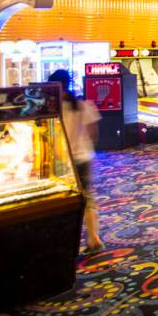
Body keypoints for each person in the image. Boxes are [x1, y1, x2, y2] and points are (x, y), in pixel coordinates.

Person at [49, 69, 104, 254]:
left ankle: (64, 241)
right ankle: (94, 238)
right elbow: (93, 133)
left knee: (64, 201)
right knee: (87, 198)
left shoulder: (55, 109)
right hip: (85, 157)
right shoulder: (83, 105)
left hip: (65, 161)